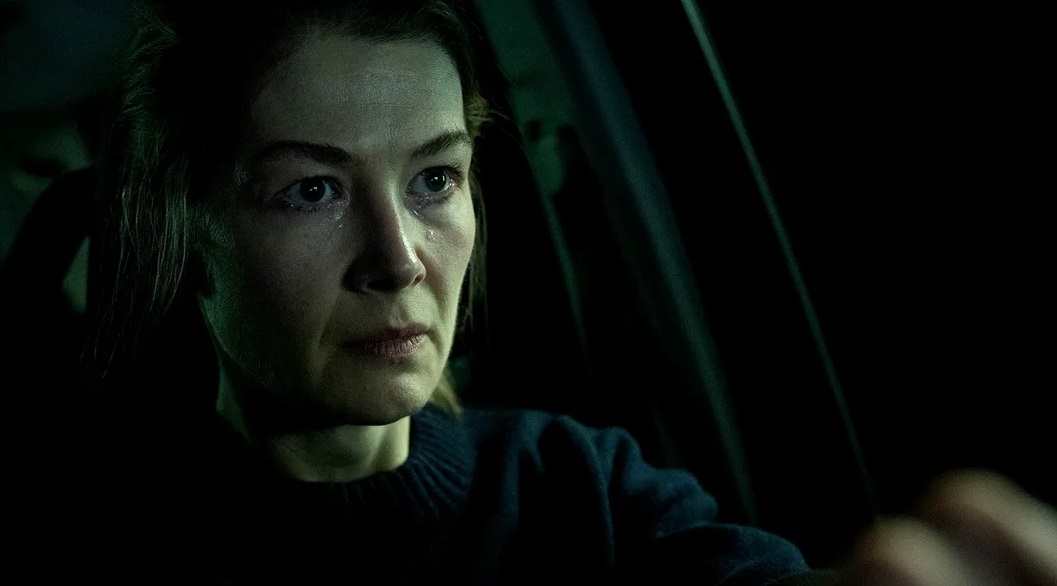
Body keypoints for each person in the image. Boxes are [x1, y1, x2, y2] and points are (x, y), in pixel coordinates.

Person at [79, 1, 1057, 584]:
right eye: (312, 190)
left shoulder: (578, 487)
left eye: (434, 179)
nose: (398, 258)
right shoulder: (95, 529)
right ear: (186, 231)